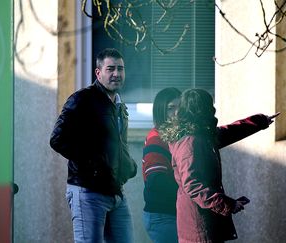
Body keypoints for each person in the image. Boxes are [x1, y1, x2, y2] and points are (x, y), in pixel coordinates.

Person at [158, 88, 279, 243]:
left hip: (203, 223)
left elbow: (230, 131)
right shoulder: (190, 141)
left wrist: (260, 121)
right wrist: (227, 204)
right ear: (203, 110)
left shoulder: (199, 134)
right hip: (199, 228)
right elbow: (193, 185)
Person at [50, 48, 137, 243]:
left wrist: (128, 165)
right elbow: (57, 139)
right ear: (98, 73)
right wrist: (94, 166)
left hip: (115, 191)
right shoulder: (82, 100)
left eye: (120, 69)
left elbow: (117, 144)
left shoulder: (119, 106)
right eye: (111, 69)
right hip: (87, 191)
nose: (116, 74)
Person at [142, 87, 181, 243]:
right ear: (161, 111)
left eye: (181, 107)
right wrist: (190, 191)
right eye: (171, 108)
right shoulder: (157, 139)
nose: (177, 113)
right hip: (163, 216)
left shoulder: (176, 134)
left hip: (172, 213)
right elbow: (156, 181)